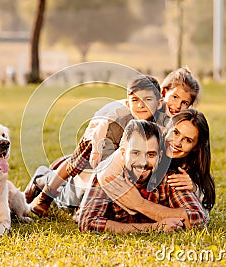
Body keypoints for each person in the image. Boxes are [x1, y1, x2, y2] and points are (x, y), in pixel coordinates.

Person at [25, 75, 166, 216]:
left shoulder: (159, 125)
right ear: (128, 104)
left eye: (147, 100)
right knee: (70, 196)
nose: (141, 105)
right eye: (136, 100)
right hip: (96, 150)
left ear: (159, 103)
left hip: (116, 165)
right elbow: (99, 137)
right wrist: (96, 153)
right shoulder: (117, 120)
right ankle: (44, 182)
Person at [78, 110, 214, 233]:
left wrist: (139, 204)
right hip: (80, 181)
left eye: (150, 154)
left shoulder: (174, 176)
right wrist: (153, 227)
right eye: (176, 132)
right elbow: (87, 222)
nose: (177, 142)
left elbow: (198, 220)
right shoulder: (111, 171)